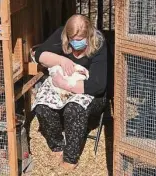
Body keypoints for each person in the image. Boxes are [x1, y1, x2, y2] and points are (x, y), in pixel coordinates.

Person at [31, 14, 107, 170]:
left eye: (80, 39)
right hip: (64, 84)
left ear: (89, 35)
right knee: (42, 107)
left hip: (86, 89)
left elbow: (98, 85)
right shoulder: (62, 35)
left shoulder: (99, 43)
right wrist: (62, 60)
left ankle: (71, 158)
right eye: (73, 39)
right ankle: (57, 145)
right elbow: (39, 55)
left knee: (74, 109)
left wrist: (66, 84)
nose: (76, 43)